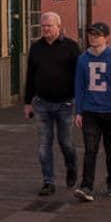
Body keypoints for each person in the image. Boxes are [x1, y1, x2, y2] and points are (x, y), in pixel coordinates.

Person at [23, 11, 80, 196]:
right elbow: (30, 76)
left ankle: (71, 166)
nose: (46, 29)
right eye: (43, 26)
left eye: (49, 26)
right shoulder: (36, 48)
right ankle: (48, 181)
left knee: (66, 143)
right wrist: (28, 102)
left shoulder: (71, 47)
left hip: (65, 104)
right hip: (42, 104)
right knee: (43, 145)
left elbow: (80, 77)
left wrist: (81, 103)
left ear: (59, 27)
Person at [73, 22, 111, 202]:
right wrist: (79, 111)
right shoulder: (83, 59)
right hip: (90, 111)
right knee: (90, 149)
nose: (93, 37)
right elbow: (79, 87)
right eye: (90, 34)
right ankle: (86, 186)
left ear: (106, 37)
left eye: (97, 34)